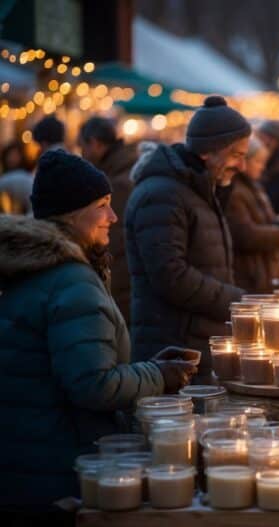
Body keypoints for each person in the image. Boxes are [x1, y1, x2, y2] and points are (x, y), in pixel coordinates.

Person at [0, 150, 195, 511]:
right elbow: (92, 385)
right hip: (57, 465)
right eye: (102, 205)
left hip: (25, 457)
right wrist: (158, 375)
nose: (113, 216)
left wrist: (147, 368)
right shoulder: (71, 281)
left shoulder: (37, 268)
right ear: (73, 214)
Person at [125, 95, 249, 379]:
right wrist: (239, 302)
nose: (241, 166)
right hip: (174, 352)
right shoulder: (162, 194)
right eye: (236, 155)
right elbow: (171, 276)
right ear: (208, 151)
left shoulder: (198, 189)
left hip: (197, 344)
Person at [225, 137, 279, 293]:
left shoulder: (254, 186)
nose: (262, 167)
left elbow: (265, 221)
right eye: (258, 162)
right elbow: (245, 235)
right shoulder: (234, 192)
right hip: (250, 277)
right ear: (244, 162)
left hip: (263, 273)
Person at [78, 117, 137, 324]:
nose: (82, 153)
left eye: (82, 146)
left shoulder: (116, 182)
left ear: (94, 143)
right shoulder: (124, 168)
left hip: (123, 288)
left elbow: (115, 244)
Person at [0, 141, 33, 215]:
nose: (12, 158)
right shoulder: (4, 176)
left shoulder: (24, 176)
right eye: (10, 155)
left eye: (15, 155)